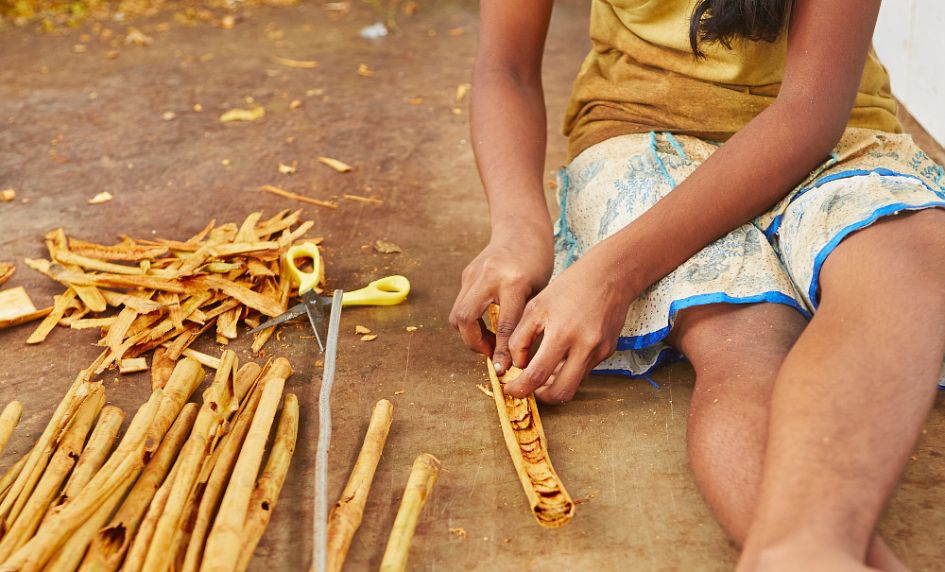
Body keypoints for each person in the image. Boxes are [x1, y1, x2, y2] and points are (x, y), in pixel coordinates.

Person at [449, 1, 945, 570]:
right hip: (643, 136)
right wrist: (518, 231)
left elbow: (809, 110)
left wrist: (612, 273)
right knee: (742, 336)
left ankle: (799, 553)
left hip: (833, 132)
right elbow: (507, 67)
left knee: (908, 266)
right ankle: (807, 554)